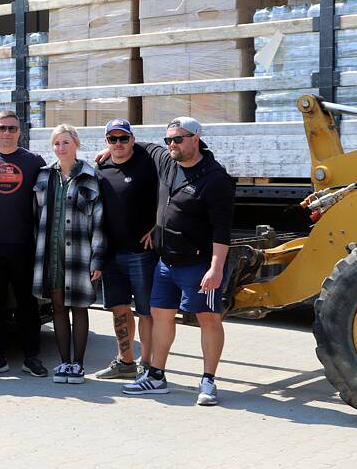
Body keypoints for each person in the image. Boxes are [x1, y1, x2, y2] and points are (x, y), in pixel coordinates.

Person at [114, 117, 235, 406]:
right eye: (168, 139)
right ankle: (156, 375)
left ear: (195, 139)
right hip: (166, 262)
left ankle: (208, 381)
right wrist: (112, 149)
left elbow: (222, 229)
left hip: (198, 265)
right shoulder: (168, 161)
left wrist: (216, 268)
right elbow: (143, 145)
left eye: (178, 139)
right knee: (161, 315)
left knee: (208, 318)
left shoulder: (215, 178)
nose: (172, 144)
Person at [0, 111, 48, 379]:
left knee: (27, 304)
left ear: (19, 132)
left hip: (25, 245)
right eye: (2, 128)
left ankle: (31, 357)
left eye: (11, 128)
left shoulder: (34, 162)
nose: (6, 132)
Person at [32, 124, 104, 385]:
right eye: (56, 143)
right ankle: (64, 363)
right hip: (51, 253)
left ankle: (78, 365)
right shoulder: (44, 176)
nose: (60, 147)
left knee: (79, 307)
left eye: (65, 142)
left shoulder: (89, 176)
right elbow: (35, 216)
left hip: (80, 254)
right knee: (59, 308)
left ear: (76, 144)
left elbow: (99, 220)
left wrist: (97, 258)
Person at [93, 119, 158, 380]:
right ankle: (126, 362)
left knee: (145, 311)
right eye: (112, 139)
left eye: (123, 138)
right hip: (111, 254)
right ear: (106, 141)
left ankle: (149, 364)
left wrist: (158, 226)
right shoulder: (101, 168)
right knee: (119, 308)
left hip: (141, 252)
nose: (118, 143)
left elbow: (167, 193)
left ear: (133, 140)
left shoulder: (147, 162)